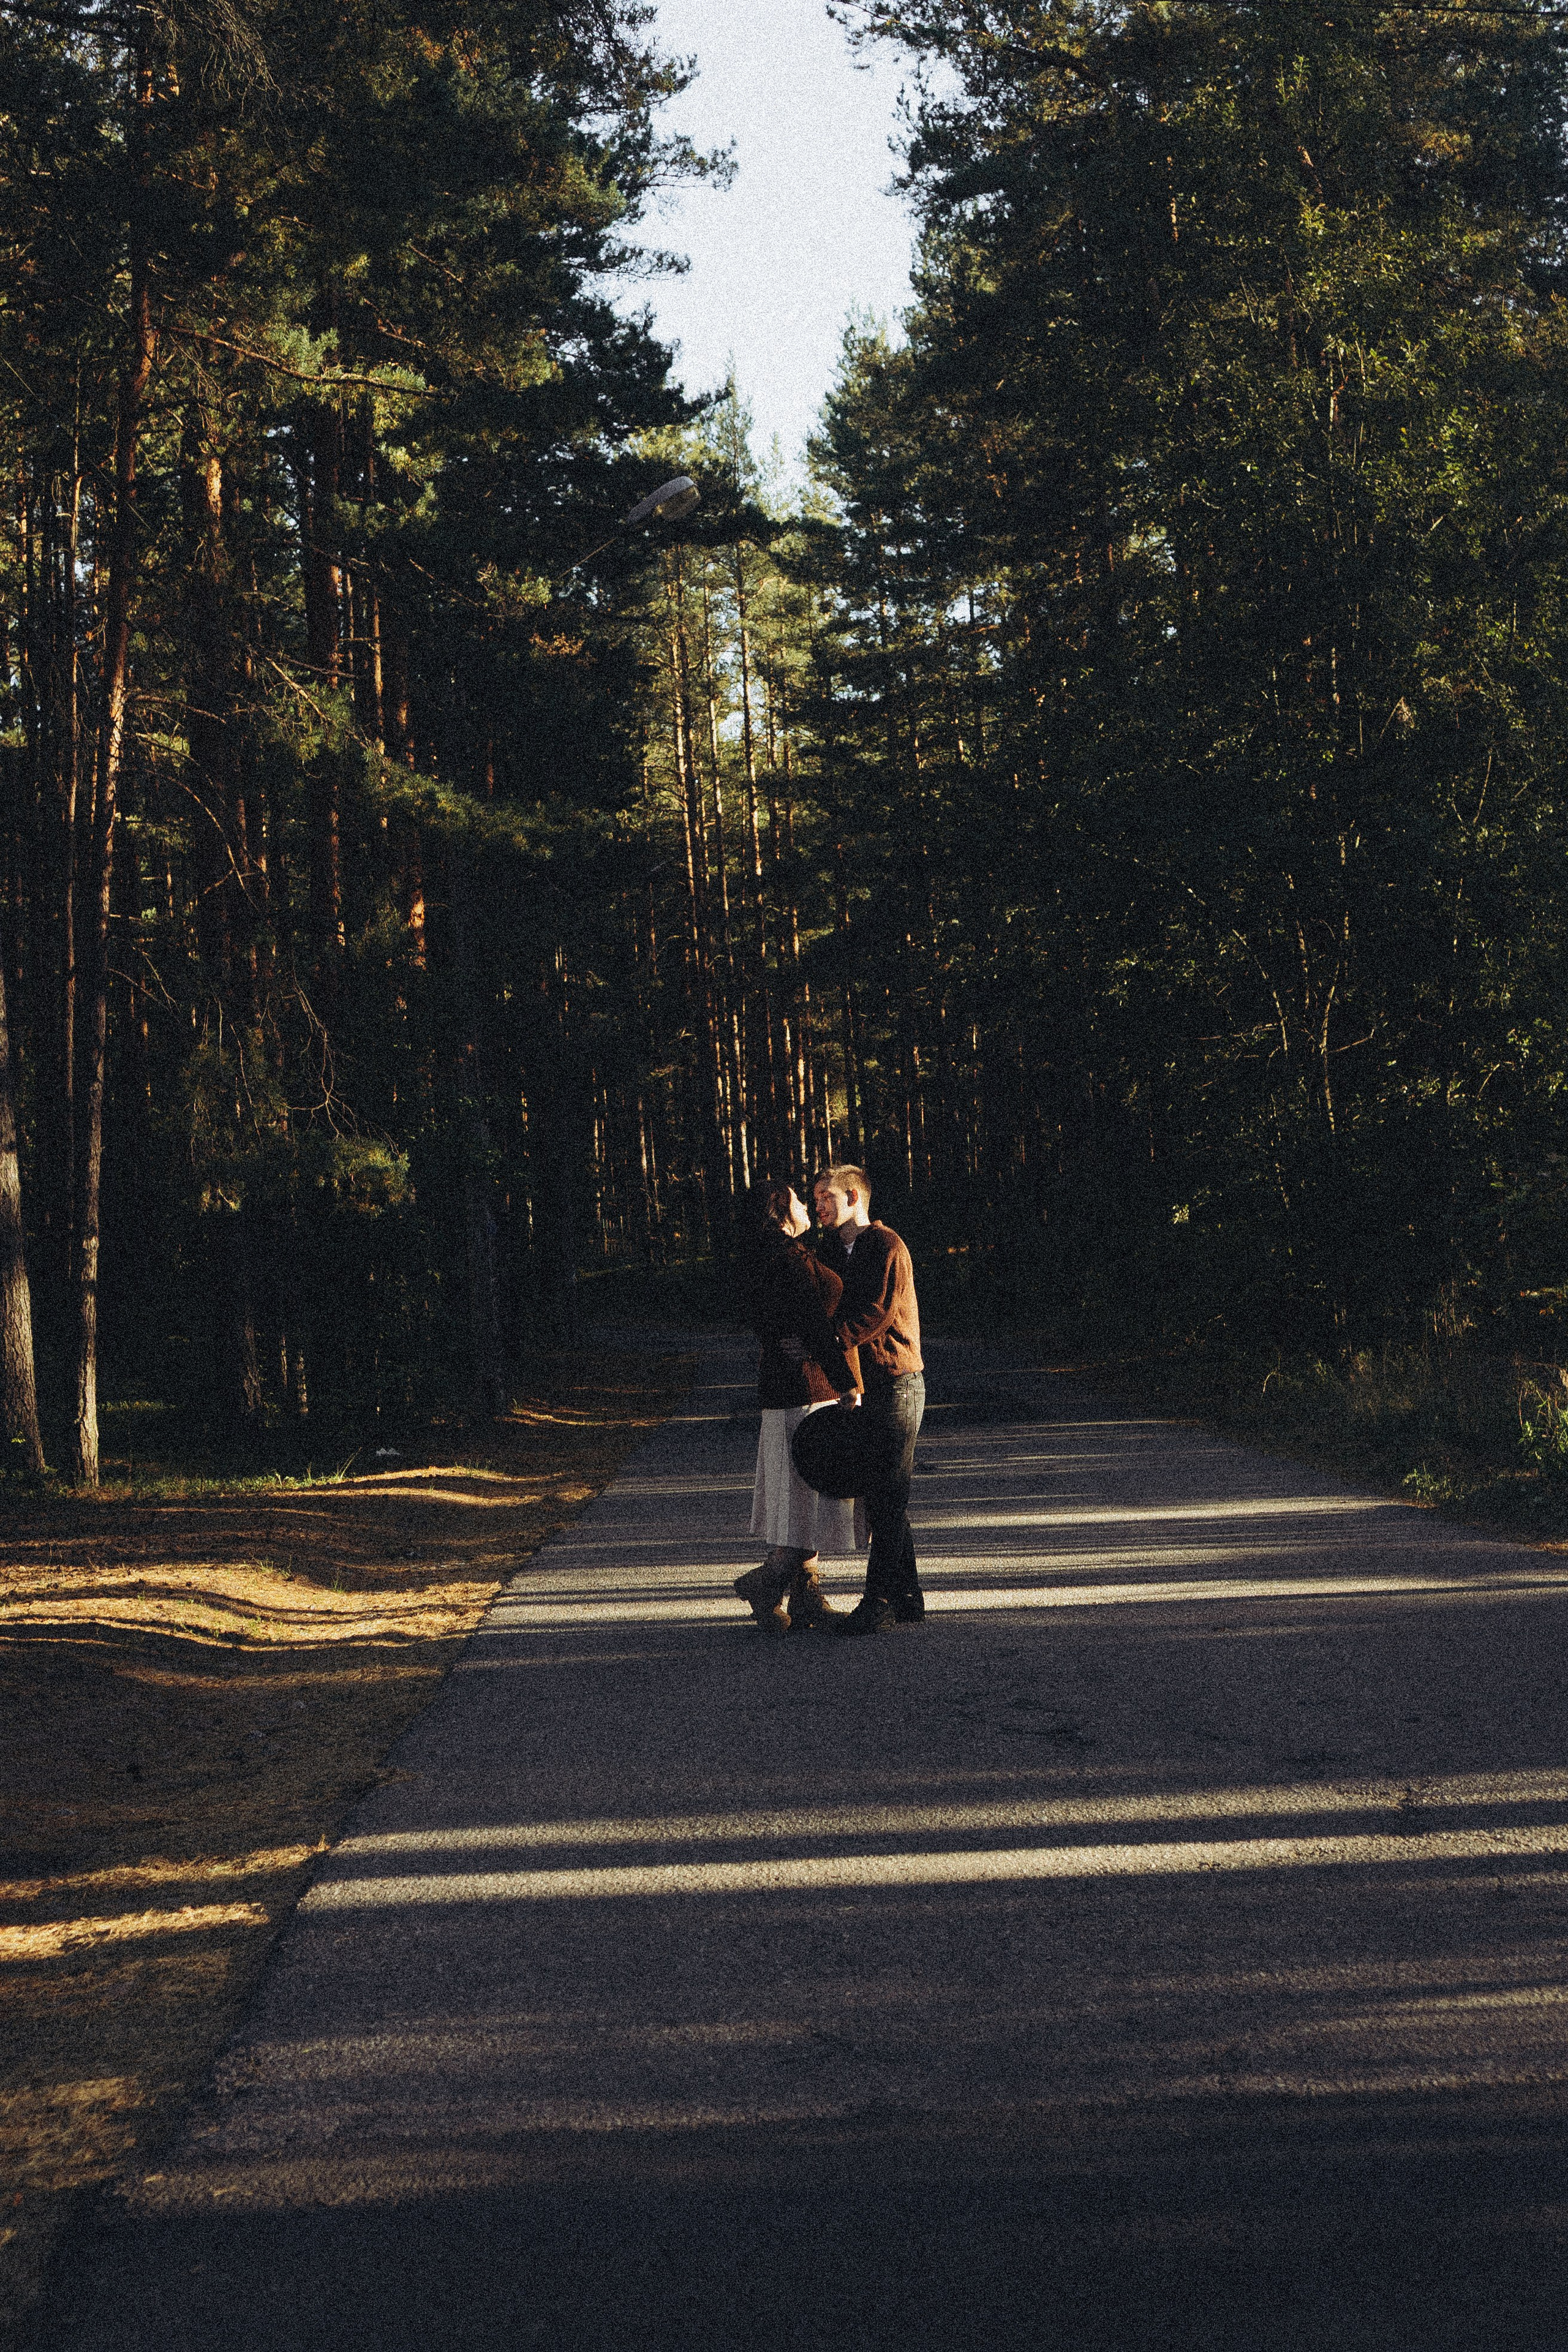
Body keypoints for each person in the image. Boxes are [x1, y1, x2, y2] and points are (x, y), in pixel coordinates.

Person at [734, 1181, 864, 1635]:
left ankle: (804, 1598)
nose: (808, 1205)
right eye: (797, 1199)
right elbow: (812, 1324)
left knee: (801, 1496)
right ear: (780, 1211)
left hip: (789, 1389)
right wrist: (848, 1384)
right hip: (802, 1391)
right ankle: (765, 1583)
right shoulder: (788, 1259)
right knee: (803, 1492)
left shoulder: (779, 1254)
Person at [812, 1164, 926, 1635]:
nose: (818, 1205)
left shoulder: (887, 1245)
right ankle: (909, 1597)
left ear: (854, 1195)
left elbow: (877, 1312)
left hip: (898, 1380)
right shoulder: (831, 1249)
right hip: (862, 1384)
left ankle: (878, 1600)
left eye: (825, 1197)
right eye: (814, 1198)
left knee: (888, 1490)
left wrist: (828, 1342)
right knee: (881, 1492)